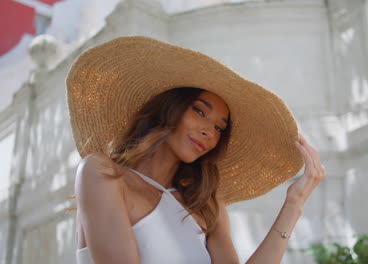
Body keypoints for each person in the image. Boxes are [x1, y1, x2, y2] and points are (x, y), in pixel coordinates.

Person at [66, 36, 325, 264]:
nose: (209, 132)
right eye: (199, 111)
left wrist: (294, 203)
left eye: (219, 128)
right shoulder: (102, 173)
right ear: (170, 108)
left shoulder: (206, 206)